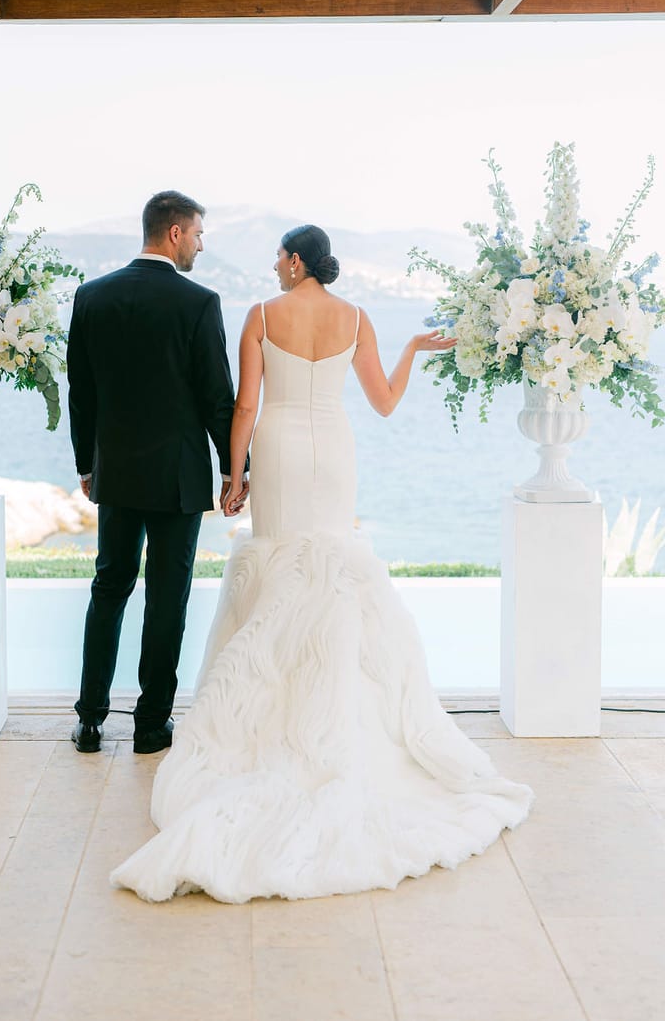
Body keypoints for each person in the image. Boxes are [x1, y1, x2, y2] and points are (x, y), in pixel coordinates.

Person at [111, 224, 533, 902]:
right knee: (331, 567)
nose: (275, 264)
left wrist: (234, 473)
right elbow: (386, 404)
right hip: (333, 447)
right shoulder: (357, 317)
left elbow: (247, 403)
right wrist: (416, 349)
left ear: (297, 258)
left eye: (280, 254)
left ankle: (275, 715)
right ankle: (334, 708)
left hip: (277, 445)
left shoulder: (262, 315)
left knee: (279, 563)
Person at [66, 190, 246, 756]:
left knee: (109, 586)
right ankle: (150, 725)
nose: (198, 245)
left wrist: (86, 464)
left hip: (116, 473)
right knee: (168, 598)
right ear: (174, 233)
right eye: (197, 234)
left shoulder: (91, 296)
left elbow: (81, 392)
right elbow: (218, 396)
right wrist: (233, 470)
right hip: (177, 478)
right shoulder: (199, 302)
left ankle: (91, 719)